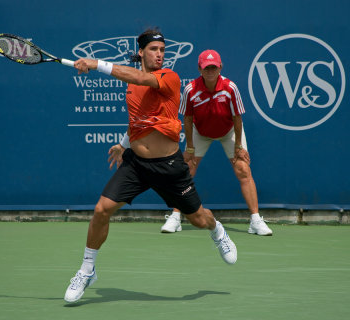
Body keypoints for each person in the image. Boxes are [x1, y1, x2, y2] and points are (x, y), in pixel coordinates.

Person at [64, 30, 237, 303]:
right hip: (137, 165)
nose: (160, 54)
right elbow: (138, 120)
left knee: (198, 219)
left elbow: (139, 77)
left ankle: (218, 231)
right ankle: (87, 269)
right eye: (154, 49)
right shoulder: (132, 89)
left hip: (169, 167)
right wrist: (123, 145)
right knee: (101, 210)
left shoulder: (169, 77)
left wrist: (96, 63)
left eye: (162, 50)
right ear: (141, 52)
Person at [160, 49, 272, 236]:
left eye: (213, 67)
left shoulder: (230, 88)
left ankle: (255, 220)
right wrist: (189, 147)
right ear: (199, 69)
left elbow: (237, 118)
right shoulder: (190, 89)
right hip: (200, 131)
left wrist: (238, 146)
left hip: (229, 132)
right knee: (187, 169)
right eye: (206, 68)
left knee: (243, 169)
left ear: (220, 67)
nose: (210, 71)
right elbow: (187, 119)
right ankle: (176, 217)